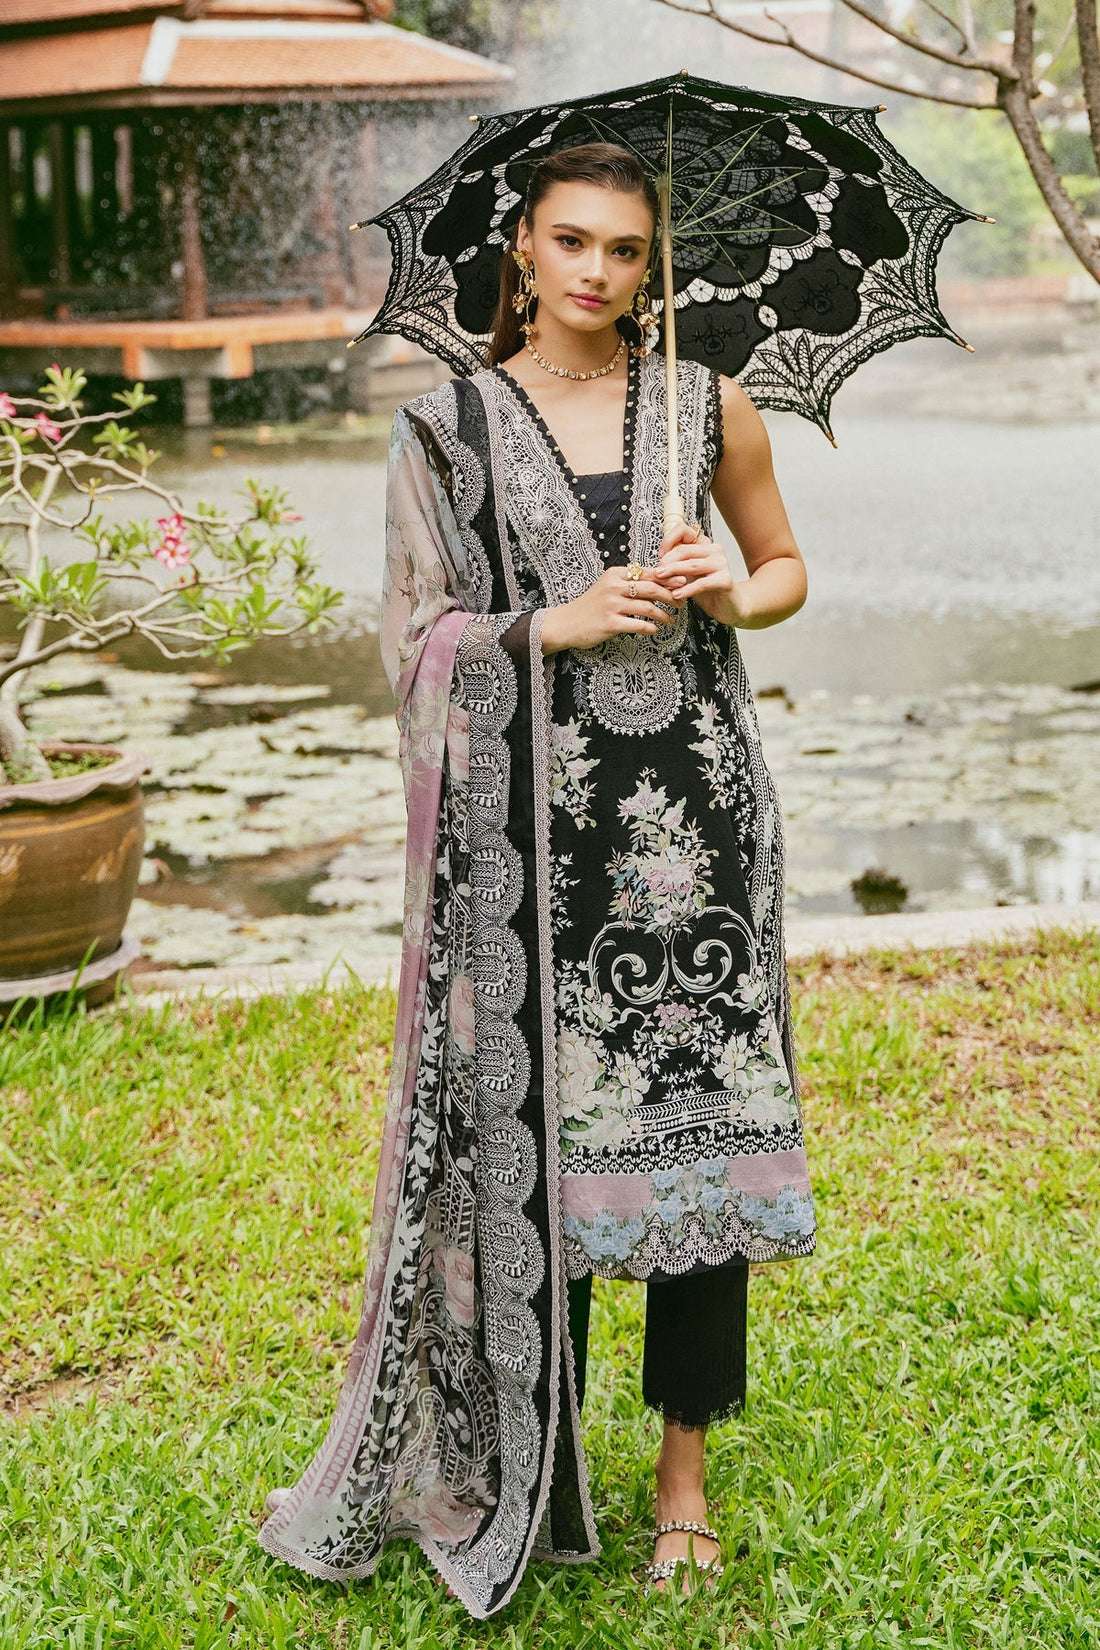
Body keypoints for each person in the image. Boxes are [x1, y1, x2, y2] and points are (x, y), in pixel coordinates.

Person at [258, 141, 816, 1618]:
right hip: (530, 846)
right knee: (542, 1144)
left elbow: (784, 569)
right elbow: (412, 639)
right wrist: (546, 629)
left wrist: (729, 587)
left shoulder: (707, 403)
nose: (598, 272)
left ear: (653, 264)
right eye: (572, 241)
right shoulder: (443, 429)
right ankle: (531, 1458)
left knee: (700, 1146)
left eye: (626, 250)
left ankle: (685, 1477)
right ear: (521, 247)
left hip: (698, 828)